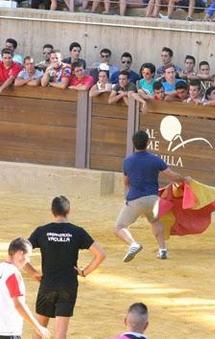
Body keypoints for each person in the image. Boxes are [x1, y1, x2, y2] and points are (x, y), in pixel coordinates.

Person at [26, 196, 105, 339]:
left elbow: (20, 252)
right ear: (68, 211)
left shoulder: (42, 231)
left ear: (52, 211)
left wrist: (33, 273)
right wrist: (84, 272)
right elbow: (100, 254)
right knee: (60, 334)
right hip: (68, 286)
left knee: (40, 330)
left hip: (47, 285)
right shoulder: (77, 231)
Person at [114, 130, 190, 262]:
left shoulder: (128, 161)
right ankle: (162, 250)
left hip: (135, 199)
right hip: (153, 200)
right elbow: (172, 175)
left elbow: (126, 183)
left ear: (134, 144)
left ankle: (133, 244)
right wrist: (184, 179)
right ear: (147, 143)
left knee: (119, 227)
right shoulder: (155, 160)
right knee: (155, 221)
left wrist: (127, 197)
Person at [0, 238, 50, 339]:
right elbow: (18, 304)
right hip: (8, 331)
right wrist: (37, 327)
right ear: (20, 253)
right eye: (28, 256)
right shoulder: (12, 274)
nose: (28, 260)